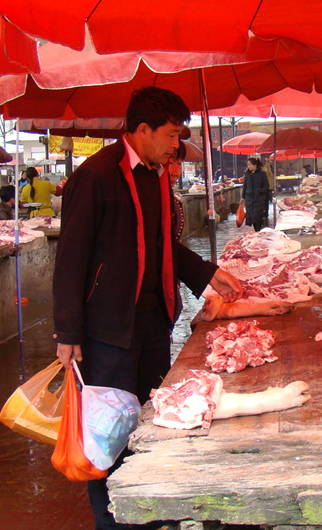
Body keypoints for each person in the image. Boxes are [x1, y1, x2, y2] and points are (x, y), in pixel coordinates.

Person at [53, 86, 242, 530]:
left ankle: (147, 512)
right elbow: (71, 259)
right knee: (109, 431)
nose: (177, 145)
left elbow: (163, 247)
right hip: (106, 331)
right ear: (142, 130)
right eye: (172, 135)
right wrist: (68, 333)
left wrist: (207, 274)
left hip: (152, 322)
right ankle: (112, 520)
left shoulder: (157, 176)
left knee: (149, 422)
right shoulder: (96, 176)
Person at [241, 157, 270, 231]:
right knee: (251, 216)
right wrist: (243, 197)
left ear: (255, 165)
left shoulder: (262, 174)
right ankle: (256, 230)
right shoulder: (247, 174)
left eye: (250, 165)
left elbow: (266, 185)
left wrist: (260, 191)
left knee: (257, 216)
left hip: (258, 199)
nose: (249, 166)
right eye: (248, 165)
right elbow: (245, 185)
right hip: (249, 199)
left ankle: (258, 229)